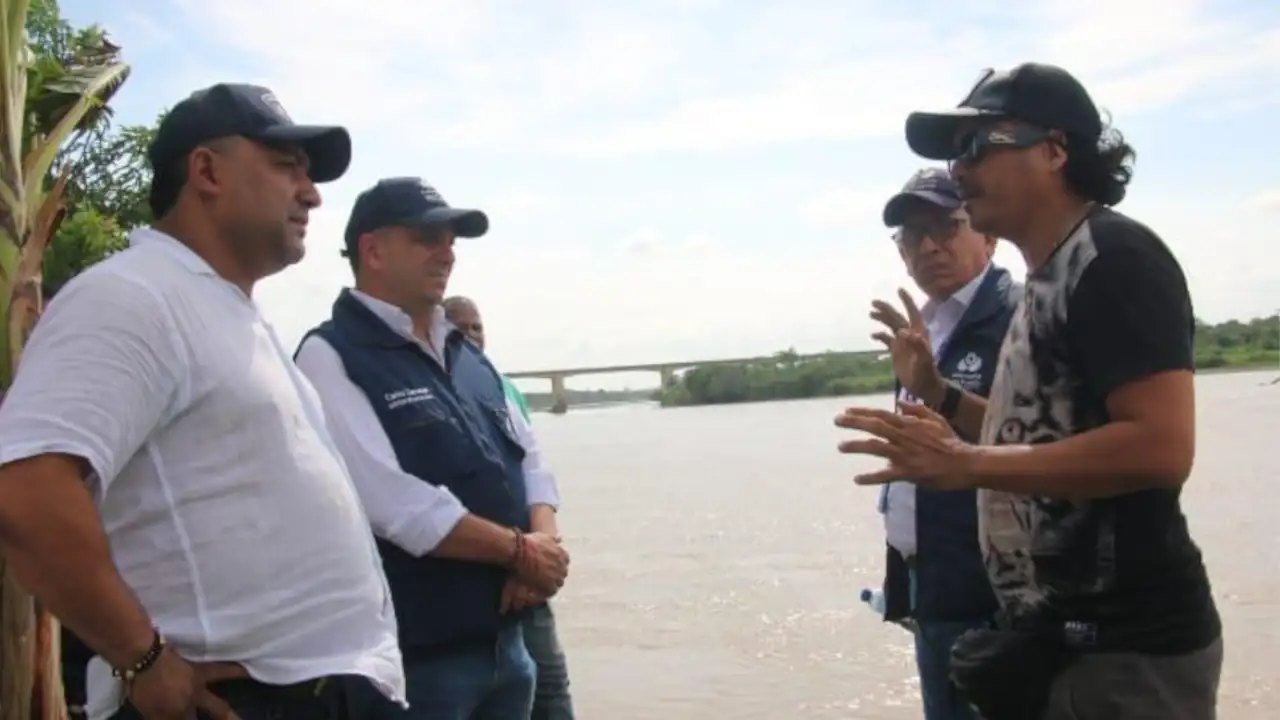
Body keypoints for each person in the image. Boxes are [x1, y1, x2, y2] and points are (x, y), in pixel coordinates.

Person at [0, 83, 404, 720]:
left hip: (323, 690)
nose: (312, 193)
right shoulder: (133, 296)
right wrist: (143, 659)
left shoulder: (226, 309)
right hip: (242, 700)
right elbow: (27, 490)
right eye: (285, 166)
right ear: (206, 171)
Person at [836, 63, 1221, 720]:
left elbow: (1160, 448)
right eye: (957, 153)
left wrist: (970, 465)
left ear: (1056, 149)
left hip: (1125, 650)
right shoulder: (1049, 278)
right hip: (1058, 644)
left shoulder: (1113, 259)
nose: (960, 169)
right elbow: (1043, 439)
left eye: (980, 145)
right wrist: (943, 397)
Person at [293, 177, 569, 720]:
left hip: (509, 652)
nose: (446, 254)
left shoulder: (468, 354)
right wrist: (521, 552)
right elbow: (392, 503)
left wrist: (542, 546)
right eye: (426, 238)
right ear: (372, 250)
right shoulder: (330, 356)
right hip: (417, 665)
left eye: (450, 241)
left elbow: (531, 462)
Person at [873, 168, 1017, 720]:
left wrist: (940, 391)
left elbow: (1043, 445)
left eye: (945, 226)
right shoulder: (924, 327)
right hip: (932, 586)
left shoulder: (1019, 318)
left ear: (987, 233)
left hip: (991, 593)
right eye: (912, 235)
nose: (928, 246)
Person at [444, 295, 576, 720]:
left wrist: (540, 551)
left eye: (476, 327)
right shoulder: (430, 392)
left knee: (551, 686)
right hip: (477, 576)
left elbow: (535, 473)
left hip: (530, 572)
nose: (469, 336)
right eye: (457, 327)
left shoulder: (504, 390)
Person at [443, 297, 534, 423]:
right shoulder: (435, 386)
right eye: (461, 328)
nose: (471, 334)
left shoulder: (507, 388)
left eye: (476, 328)